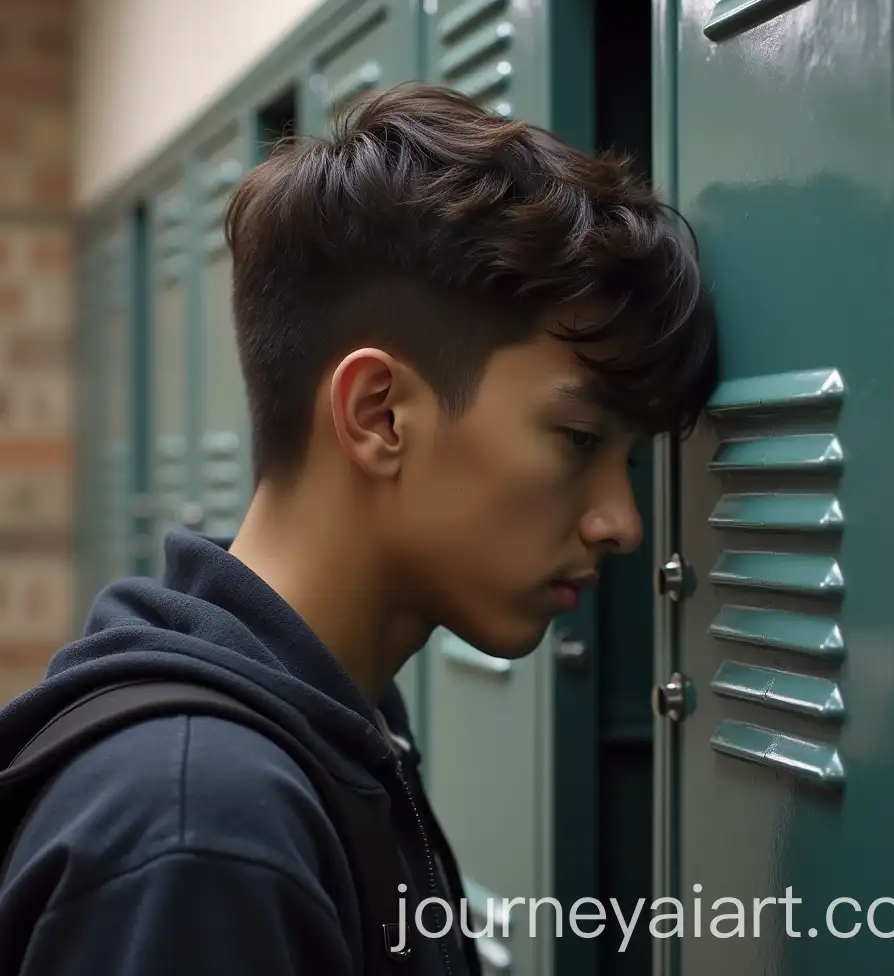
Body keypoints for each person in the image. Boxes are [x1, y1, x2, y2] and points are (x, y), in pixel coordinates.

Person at [0, 83, 717, 975]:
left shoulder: (335, 725)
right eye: (579, 439)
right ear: (379, 414)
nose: (624, 525)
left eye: (631, 463)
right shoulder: (203, 832)